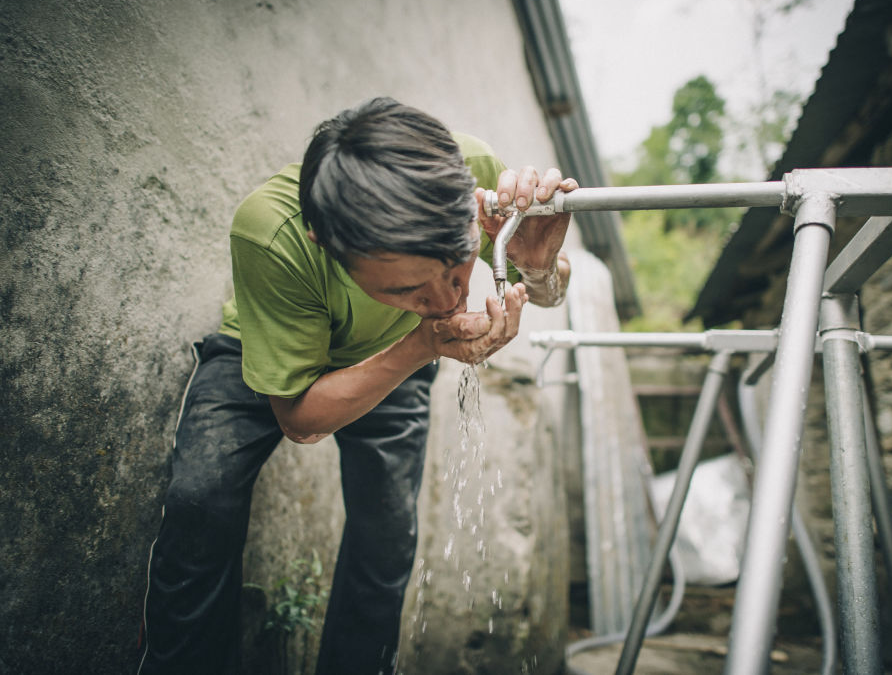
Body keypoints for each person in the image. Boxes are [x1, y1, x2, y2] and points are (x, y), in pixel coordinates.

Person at [136, 97, 578, 675]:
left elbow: (550, 294)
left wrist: (538, 266)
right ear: (323, 243)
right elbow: (299, 418)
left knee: (387, 536)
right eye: (406, 289)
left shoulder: (469, 172)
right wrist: (423, 343)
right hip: (265, 354)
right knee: (201, 500)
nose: (447, 302)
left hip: (401, 354)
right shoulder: (270, 232)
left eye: (458, 266)